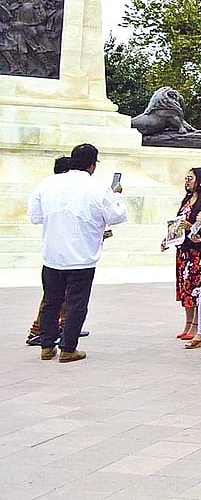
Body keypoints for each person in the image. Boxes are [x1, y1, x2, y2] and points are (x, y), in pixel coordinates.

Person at [29, 143, 128, 363]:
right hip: (82, 256)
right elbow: (118, 216)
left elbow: (34, 216)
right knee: (76, 303)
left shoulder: (47, 184)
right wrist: (117, 196)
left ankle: (46, 345)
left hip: (53, 254)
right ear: (92, 165)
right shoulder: (97, 188)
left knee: (51, 301)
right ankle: (68, 347)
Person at [26, 156, 87, 347]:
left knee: (55, 298)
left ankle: (54, 332)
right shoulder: (59, 191)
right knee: (57, 298)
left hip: (54, 255)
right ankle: (40, 331)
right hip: (69, 257)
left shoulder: (48, 189)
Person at [170, 168, 201, 343]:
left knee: (196, 288)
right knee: (185, 289)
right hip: (183, 250)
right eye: (186, 178)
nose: (187, 181)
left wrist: (193, 227)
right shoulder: (187, 200)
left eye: (190, 178)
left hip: (197, 251)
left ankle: (197, 325)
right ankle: (188, 323)